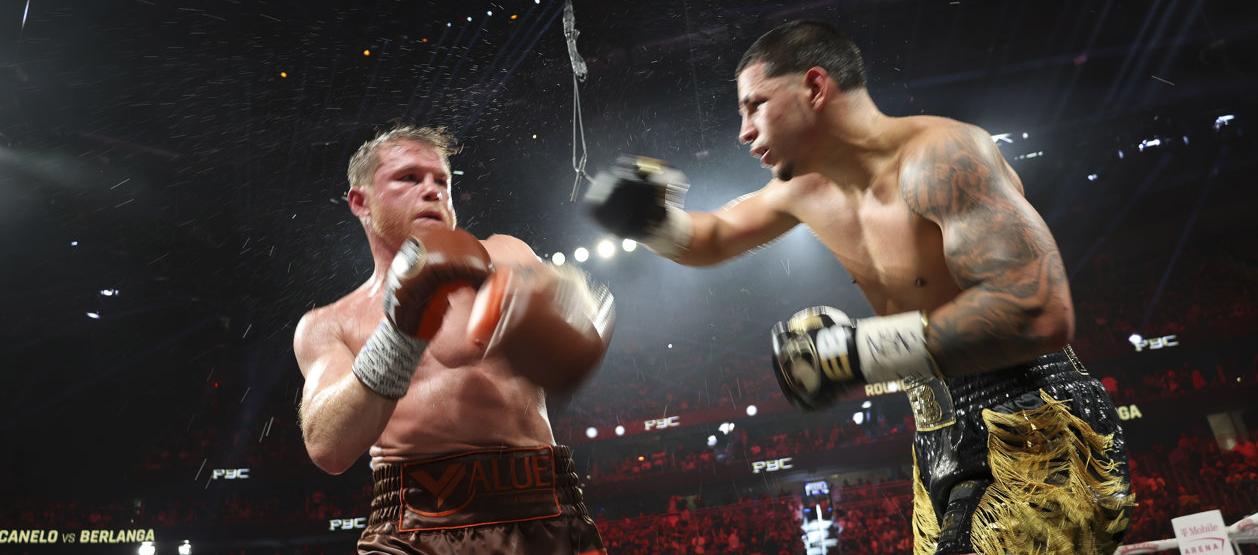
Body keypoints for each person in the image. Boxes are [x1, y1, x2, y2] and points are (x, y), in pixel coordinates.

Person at [586, 20, 1132, 555]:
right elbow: (712, 236)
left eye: (756, 105)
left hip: (1030, 418)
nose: (744, 130)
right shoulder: (806, 189)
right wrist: (650, 219)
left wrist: (855, 352)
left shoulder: (943, 155)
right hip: (935, 429)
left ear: (815, 87)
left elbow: (1036, 311)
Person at [294, 125, 613, 554]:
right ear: (360, 201)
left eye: (441, 180)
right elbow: (328, 448)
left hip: (540, 510)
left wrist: (566, 304)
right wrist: (402, 329)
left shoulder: (507, 256)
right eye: (408, 178)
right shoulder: (329, 324)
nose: (432, 191)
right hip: (411, 526)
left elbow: (585, 329)